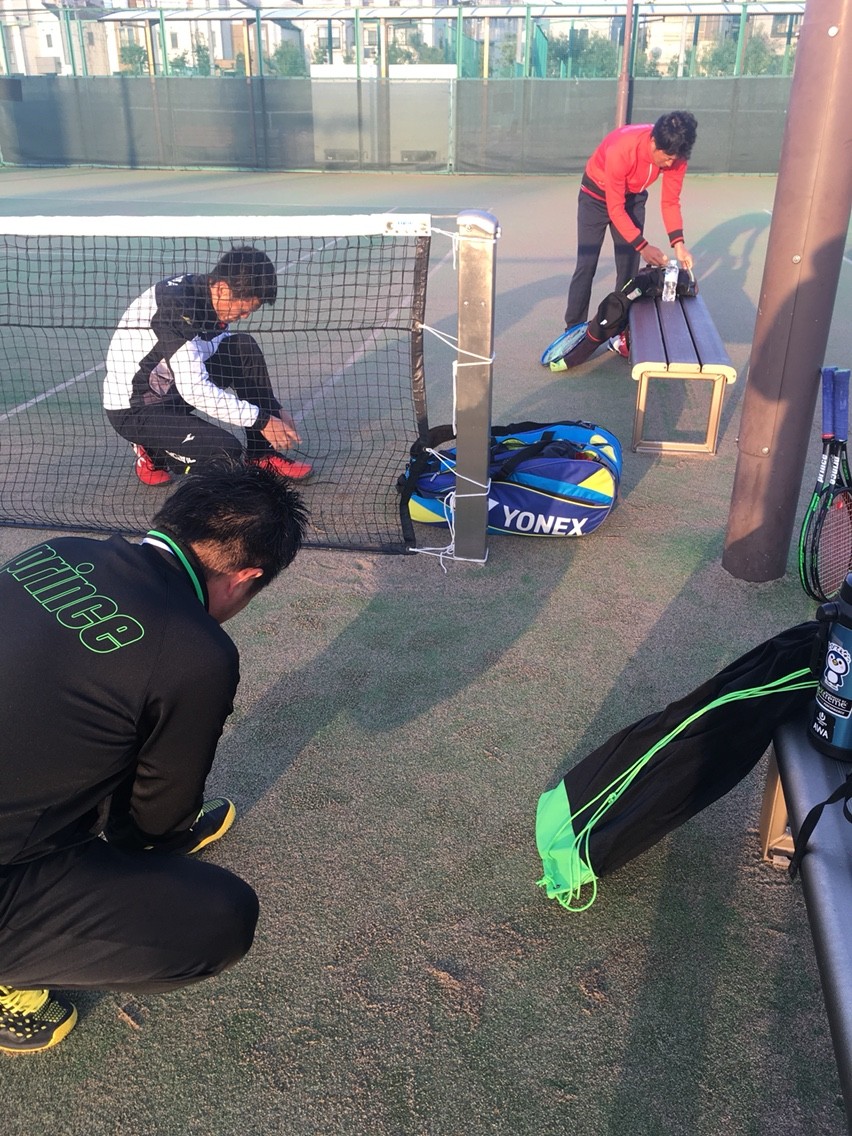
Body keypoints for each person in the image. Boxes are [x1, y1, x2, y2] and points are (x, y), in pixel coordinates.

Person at [0, 461, 308, 1052]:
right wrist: (160, 838)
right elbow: (154, 818)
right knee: (217, 919)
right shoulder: (198, 652)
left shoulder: (58, 551)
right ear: (246, 576)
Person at [104, 244, 312, 486]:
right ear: (222, 288)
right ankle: (153, 450)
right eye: (243, 308)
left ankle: (261, 454)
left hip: (169, 388)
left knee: (243, 348)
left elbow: (218, 347)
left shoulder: (210, 297)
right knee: (225, 454)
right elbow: (195, 390)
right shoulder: (178, 310)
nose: (245, 316)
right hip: (136, 408)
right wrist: (261, 420)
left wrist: (272, 407)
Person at [563, 111, 698, 358]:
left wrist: (678, 244)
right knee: (586, 265)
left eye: (675, 159)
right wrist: (643, 245)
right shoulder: (622, 148)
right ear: (654, 143)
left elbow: (670, 201)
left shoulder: (676, 155)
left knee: (628, 270)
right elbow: (615, 208)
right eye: (667, 158)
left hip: (633, 197)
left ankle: (620, 331)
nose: (670, 164)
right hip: (595, 197)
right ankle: (573, 331)